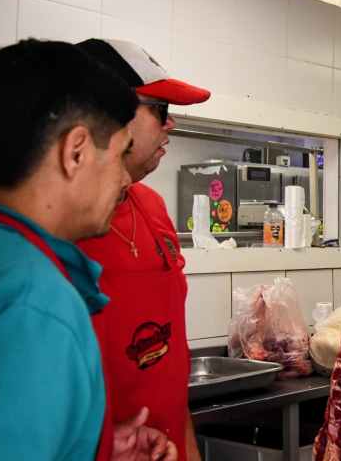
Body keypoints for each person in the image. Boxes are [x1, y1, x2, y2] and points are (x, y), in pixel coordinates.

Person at [0, 40, 174, 460]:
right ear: (75, 152)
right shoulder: (35, 304)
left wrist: (90, 447)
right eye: (118, 156)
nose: (125, 181)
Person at [75, 38, 211, 461]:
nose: (170, 125)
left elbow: (170, 368)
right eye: (160, 110)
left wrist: (188, 449)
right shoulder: (50, 227)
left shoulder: (151, 206)